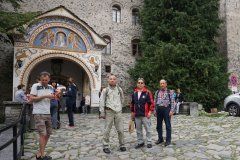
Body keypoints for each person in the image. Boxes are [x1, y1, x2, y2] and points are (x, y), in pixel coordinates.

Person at [29, 72, 57, 160]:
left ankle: (39, 154)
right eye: (43, 80)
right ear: (40, 79)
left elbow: (53, 96)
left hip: (47, 112)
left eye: (46, 80)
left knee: (48, 134)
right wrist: (44, 96)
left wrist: (54, 96)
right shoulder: (35, 86)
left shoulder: (50, 87)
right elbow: (31, 99)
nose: (44, 81)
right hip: (38, 112)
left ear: (49, 79)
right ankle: (42, 155)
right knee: (42, 134)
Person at [99, 74, 126, 154]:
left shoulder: (119, 89)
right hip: (109, 111)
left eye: (114, 79)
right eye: (110, 79)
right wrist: (102, 112)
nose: (112, 80)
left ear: (116, 80)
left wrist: (120, 107)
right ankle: (106, 146)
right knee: (107, 130)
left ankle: (122, 145)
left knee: (120, 130)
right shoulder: (105, 90)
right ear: (108, 80)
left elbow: (122, 98)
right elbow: (102, 101)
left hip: (118, 112)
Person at [130, 78, 154, 149]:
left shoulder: (147, 92)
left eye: (141, 83)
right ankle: (140, 142)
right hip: (137, 114)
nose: (140, 84)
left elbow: (151, 103)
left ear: (144, 84)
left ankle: (149, 142)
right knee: (138, 130)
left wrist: (150, 112)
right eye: (139, 83)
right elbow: (132, 103)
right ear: (137, 84)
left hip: (145, 114)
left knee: (148, 129)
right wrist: (132, 112)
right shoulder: (134, 93)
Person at [154, 79, 175, 147]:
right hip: (159, 109)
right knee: (158, 126)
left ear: (166, 84)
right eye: (161, 83)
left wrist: (172, 110)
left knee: (168, 125)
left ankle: (168, 140)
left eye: (163, 83)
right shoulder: (157, 92)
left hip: (166, 109)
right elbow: (155, 102)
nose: (162, 85)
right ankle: (160, 139)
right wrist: (154, 110)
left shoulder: (170, 92)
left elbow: (172, 102)